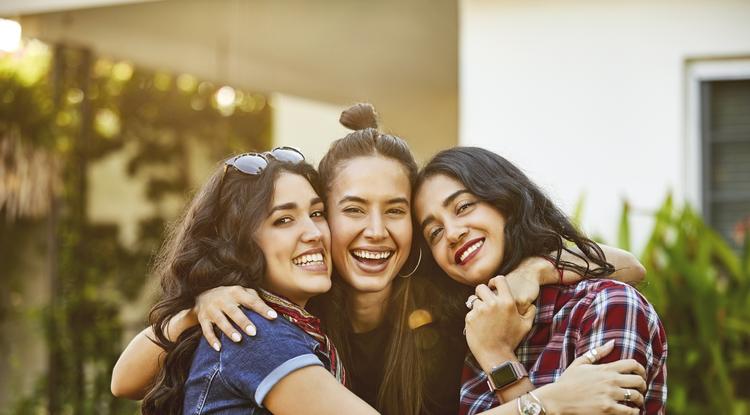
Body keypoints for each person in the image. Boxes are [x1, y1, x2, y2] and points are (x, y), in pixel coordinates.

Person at [113, 104, 649, 414]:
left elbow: (627, 265)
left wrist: (532, 268)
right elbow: (126, 381)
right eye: (351, 209)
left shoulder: (448, 294)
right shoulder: (283, 316)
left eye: (395, 210)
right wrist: (201, 302)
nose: (376, 231)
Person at [413, 146, 668, 415]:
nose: (452, 233)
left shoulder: (605, 304)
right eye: (435, 232)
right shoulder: (467, 333)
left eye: (463, 206)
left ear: (506, 202)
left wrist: (497, 356)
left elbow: (633, 267)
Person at [139, 150, 378, 414]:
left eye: (317, 213)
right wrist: (193, 313)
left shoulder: (297, 326)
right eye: (283, 220)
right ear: (239, 243)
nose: (313, 233)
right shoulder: (253, 332)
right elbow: (122, 383)